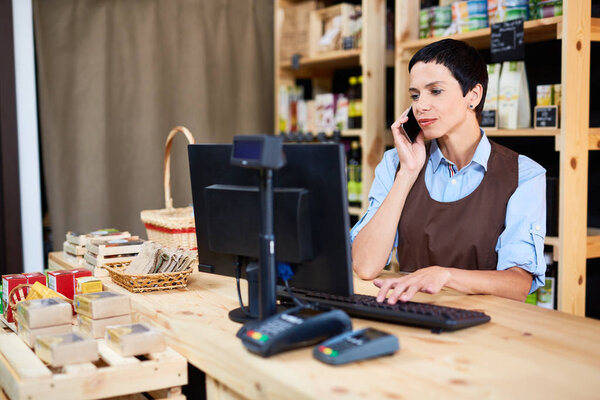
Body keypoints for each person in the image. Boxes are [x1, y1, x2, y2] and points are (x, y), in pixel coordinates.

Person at [351, 39, 546, 304]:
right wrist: (407, 173)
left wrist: (444, 276)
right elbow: (364, 265)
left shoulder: (523, 174)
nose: (421, 106)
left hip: (488, 328)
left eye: (436, 91)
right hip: (412, 316)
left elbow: (519, 284)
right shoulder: (396, 163)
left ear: (473, 96)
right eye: (416, 95)